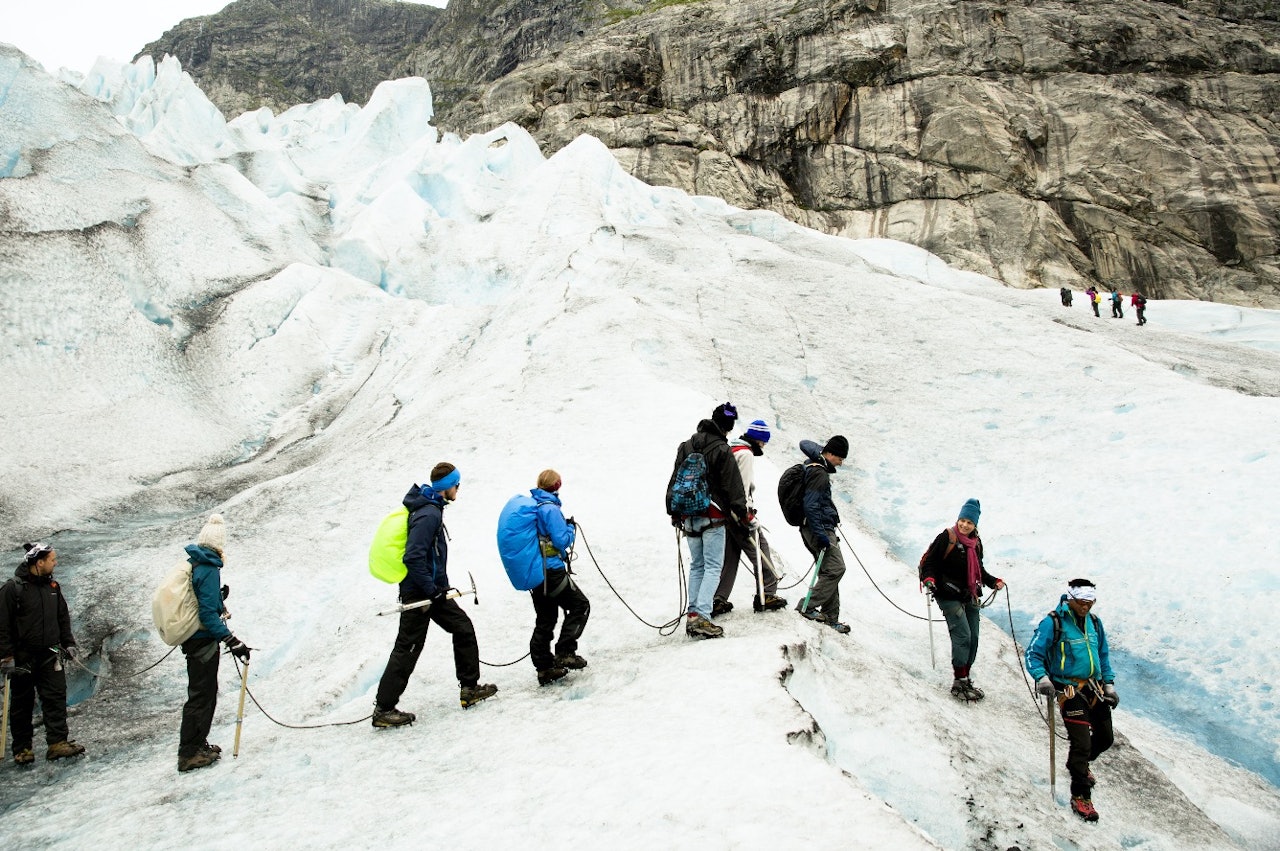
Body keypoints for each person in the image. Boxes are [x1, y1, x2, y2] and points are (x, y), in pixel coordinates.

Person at [374, 463, 497, 725]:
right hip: (420, 595)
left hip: (431, 591)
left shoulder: (430, 508)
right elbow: (414, 557)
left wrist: (439, 587)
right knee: (408, 648)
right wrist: (432, 590)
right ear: (447, 487)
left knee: (462, 628)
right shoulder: (428, 514)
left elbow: (430, 556)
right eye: (456, 484)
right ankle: (383, 710)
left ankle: (470, 689)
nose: (458, 489)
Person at [1025, 578, 1118, 822]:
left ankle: (1078, 765)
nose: (1087, 606)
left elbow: (1103, 655)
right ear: (1071, 599)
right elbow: (1034, 653)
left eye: (1090, 601)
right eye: (1082, 602)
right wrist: (1043, 678)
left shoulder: (1094, 623)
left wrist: (1109, 684)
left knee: (1105, 739)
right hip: (1068, 691)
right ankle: (1081, 796)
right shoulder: (1053, 623)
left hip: (1094, 689)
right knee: (1081, 744)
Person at [666, 403, 750, 639]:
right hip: (713, 514)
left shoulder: (686, 445)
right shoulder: (722, 449)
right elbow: (732, 485)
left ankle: (693, 613)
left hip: (688, 514)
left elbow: (674, 479)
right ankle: (702, 616)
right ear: (729, 426)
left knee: (697, 565)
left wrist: (673, 511)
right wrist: (741, 514)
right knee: (713, 566)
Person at [177, 514, 251, 773]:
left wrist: (218, 598)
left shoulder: (196, 563)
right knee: (202, 695)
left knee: (201, 693)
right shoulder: (208, 569)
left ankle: (197, 745)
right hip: (202, 642)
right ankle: (190, 752)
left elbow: (202, 603)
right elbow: (207, 615)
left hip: (195, 640)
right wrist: (231, 640)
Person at [0, 543, 85, 766]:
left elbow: (62, 618)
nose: (55, 563)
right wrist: (6, 657)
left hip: (49, 655)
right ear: (39, 562)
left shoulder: (53, 588)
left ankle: (57, 743)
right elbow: (2, 626)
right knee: (22, 704)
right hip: (22, 658)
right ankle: (23, 749)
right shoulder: (13, 589)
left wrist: (68, 643)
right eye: (52, 560)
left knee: (55, 698)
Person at [919, 500, 1005, 701]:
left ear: (975, 525)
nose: (965, 525)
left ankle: (965, 678)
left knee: (973, 637)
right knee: (963, 636)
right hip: (947, 594)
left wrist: (993, 582)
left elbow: (979, 570)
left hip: (969, 594)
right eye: (962, 520)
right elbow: (930, 562)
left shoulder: (976, 543)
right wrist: (929, 579)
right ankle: (959, 681)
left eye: (969, 522)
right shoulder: (946, 537)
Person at [713, 420, 787, 616]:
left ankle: (718, 599)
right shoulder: (745, 455)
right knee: (760, 550)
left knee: (730, 557)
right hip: (739, 515)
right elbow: (742, 489)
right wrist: (746, 515)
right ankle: (766, 594)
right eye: (763, 442)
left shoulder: (732, 449)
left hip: (725, 513)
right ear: (758, 440)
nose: (763, 446)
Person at [525, 470, 590, 686]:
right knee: (580, 605)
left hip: (536, 572)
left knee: (546, 618)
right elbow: (561, 540)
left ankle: (544, 668)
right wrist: (570, 528)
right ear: (556, 485)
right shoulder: (551, 509)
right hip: (552, 571)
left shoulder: (533, 506)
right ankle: (565, 652)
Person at [795, 436, 851, 634]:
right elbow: (811, 506)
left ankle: (830, 616)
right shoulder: (819, 473)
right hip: (817, 529)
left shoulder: (815, 465)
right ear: (831, 454)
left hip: (816, 528)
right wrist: (821, 534)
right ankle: (807, 605)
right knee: (836, 569)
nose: (841, 463)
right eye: (840, 458)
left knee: (830, 570)